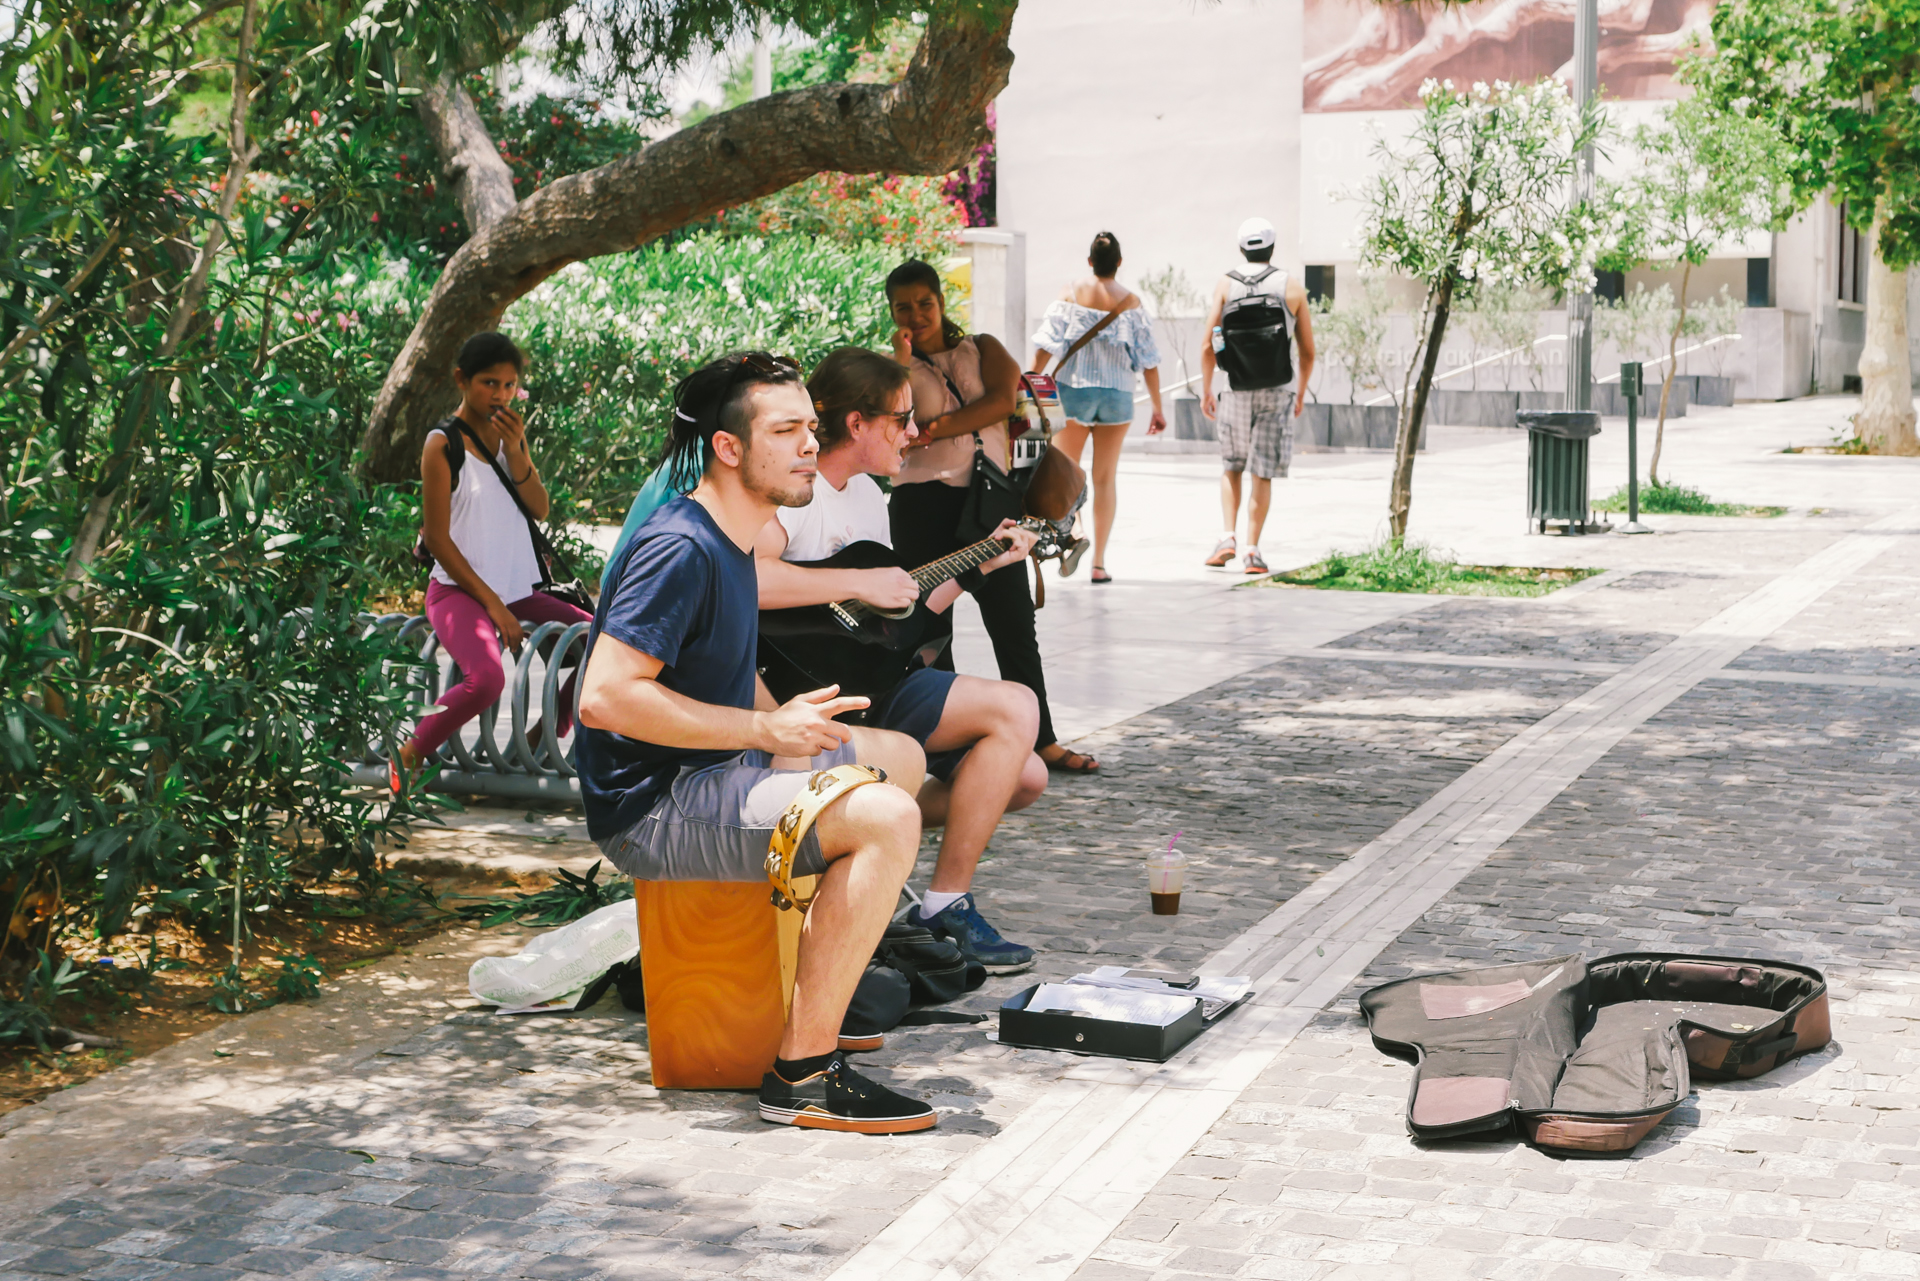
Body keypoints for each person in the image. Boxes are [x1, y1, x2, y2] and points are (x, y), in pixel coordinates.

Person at [576, 351, 939, 1134]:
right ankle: (803, 1072)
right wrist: (762, 732)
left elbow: (724, 671)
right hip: (656, 809)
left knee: (899, 758)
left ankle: (816, 992)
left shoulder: (733, 535)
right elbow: (605, 696)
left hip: (717, 774)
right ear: (728, 448)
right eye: (787, 430)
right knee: (885, 817)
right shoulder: (681, 547)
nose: (811, 443)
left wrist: (786, 735)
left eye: (811, 426)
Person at [755, 346, 1048, 972]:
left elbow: (897, 613)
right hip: (812, 694)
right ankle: (943, 901)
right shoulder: (796, 495)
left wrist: (976, 569)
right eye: (902, 419)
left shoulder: (866, 496)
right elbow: (747, 581)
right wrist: (853, 584)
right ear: (857, 425)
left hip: (877, 680)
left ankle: (887, 846)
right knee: (1017, 717)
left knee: (1025, 778)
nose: (916, 433)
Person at [884, 259, 1100, 775]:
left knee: (1013, 622)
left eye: (925, 303)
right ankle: (945, 749)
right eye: (903, 307)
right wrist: (900, 362)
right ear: (891, 312)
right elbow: (893, 424)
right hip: (919, 505)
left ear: (941, 301)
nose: (917, 314)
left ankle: (1042, 739)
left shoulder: (980, 347)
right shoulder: (892, 368)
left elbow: (1004, 400)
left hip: (989, 503)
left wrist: (936, 428)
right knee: (931, 628)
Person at [394, 332, 592, 791]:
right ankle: (411, 751)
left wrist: (518, 448)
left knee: (608, 642)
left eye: (509, 385)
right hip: (458, 591)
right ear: (461, 380)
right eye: (489, 383)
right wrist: (495, 607)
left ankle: (542, 738)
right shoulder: (442, 444)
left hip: (520, 590)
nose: (500, 396)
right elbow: (439, 540)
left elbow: (539, 507)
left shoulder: (507, 439)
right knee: (486, 680)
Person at [1030, 230, 1165, 584]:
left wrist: (1030, 378)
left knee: (1066, 473)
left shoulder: (1071, 293)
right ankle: (1100, 563)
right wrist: (1157, 407)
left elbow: (1047, 344)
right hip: (1118, 398)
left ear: (1090, 262)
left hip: (1073, 393)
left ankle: (1077, 533)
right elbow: (1149, 361)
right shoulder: (1133, 302)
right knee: (1105, 479)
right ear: (1119, 263)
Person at [1200, 217, 1316, 576]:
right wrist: (1299, 392)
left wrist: (1207, 388)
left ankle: (1226, 538)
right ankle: (1252, 551)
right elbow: (1308, 350)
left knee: (1231, 465)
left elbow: (1208, 343)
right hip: (1277, 389)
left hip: (1235, 387)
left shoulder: (1225, 284)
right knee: (1261, 472)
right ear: (1272, 248)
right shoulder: (1291, 286)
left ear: (1241, 248)